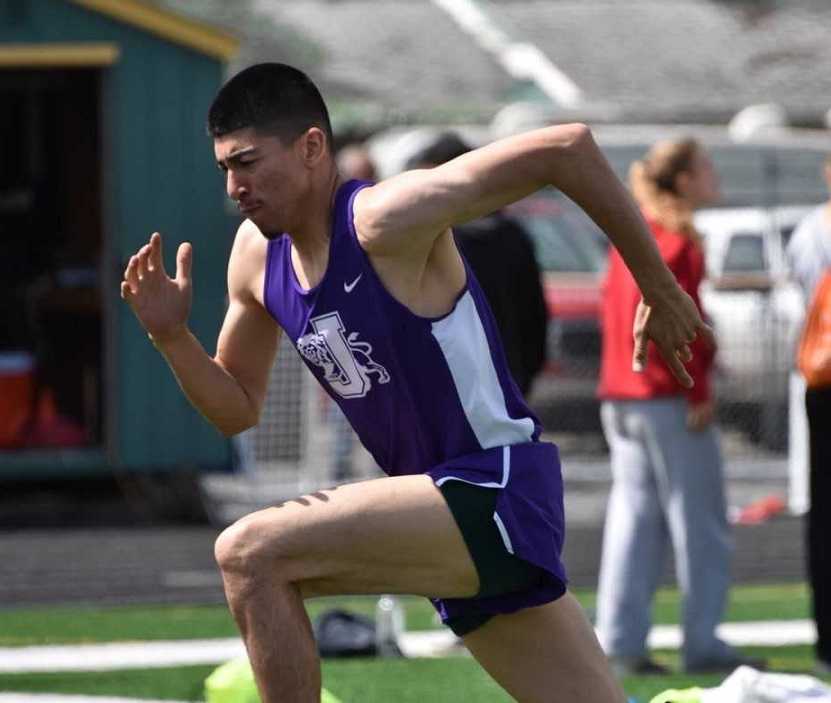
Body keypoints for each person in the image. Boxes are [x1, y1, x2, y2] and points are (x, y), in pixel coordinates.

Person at [121, 63, 712, 703]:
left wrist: (659, 286)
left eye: (248, 162)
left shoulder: (383, 219)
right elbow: (235, 409)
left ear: (313, 147)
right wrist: (172, 338)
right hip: (448, 513)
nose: (235, 186)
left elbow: (565, 148)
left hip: (495, 490)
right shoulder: (255, 258)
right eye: (224, 170)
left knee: (250, 554)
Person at [595, 137, 759, 675]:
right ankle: (703, 641)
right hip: (668, 398)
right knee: (702, 523)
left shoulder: (633, 237)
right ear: (684, 180)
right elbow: (680, 327)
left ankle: (620, 642)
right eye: (706, 167)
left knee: (634, 520)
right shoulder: (678, 241)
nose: (715, 174)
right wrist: (699, 391)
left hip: (622, 396)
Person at [407, 132, 547, 396]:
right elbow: (535, 314)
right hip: (507, 378)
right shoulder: (512, 234)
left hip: (456, 383)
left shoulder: (438, 239)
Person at [786, 153, 831, 674]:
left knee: (822, 514)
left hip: (819, 381)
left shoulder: (807, 231)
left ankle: (827, 640)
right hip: (823, 377)